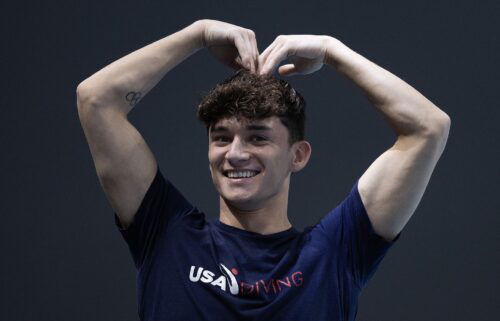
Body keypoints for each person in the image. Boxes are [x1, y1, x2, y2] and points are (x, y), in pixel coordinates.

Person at [76, 19, 450, 321]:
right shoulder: (166, 233)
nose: (235, 154)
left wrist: (331, 50)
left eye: (257, 138)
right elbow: (96, 100)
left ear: (297, 155)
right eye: (221, 138)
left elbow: (428, 127)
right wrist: (198, 34)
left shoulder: (335, 252)